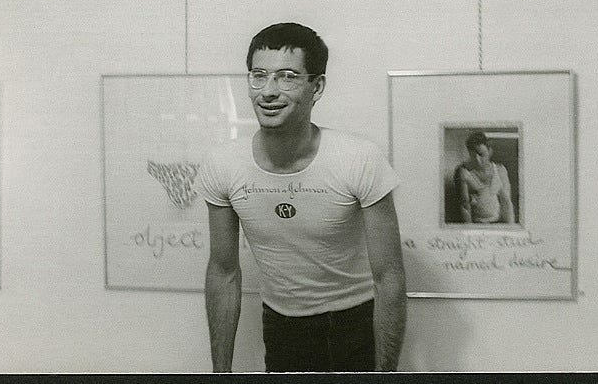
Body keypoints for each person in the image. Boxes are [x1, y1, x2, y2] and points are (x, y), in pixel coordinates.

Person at [194, 22, 407, 372]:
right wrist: (221, 373)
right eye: (258, 75)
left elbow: (390, 278)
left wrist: (385, 375)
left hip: (356, 320)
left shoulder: (359, 159)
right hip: (281, 323)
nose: (268, 91)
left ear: (316, 86)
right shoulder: (223, 164)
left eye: (288, 76)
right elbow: (223, 272)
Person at [453, 131, 515, 224]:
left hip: (497, 222)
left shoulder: (500, 170)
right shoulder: (463, 172)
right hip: (476, 224)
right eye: (473, 156)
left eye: (481, 154)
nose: (478, 160)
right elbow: (464, 206)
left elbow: (506, 202)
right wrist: (470, 232)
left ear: (489, 151)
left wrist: (510, 228)